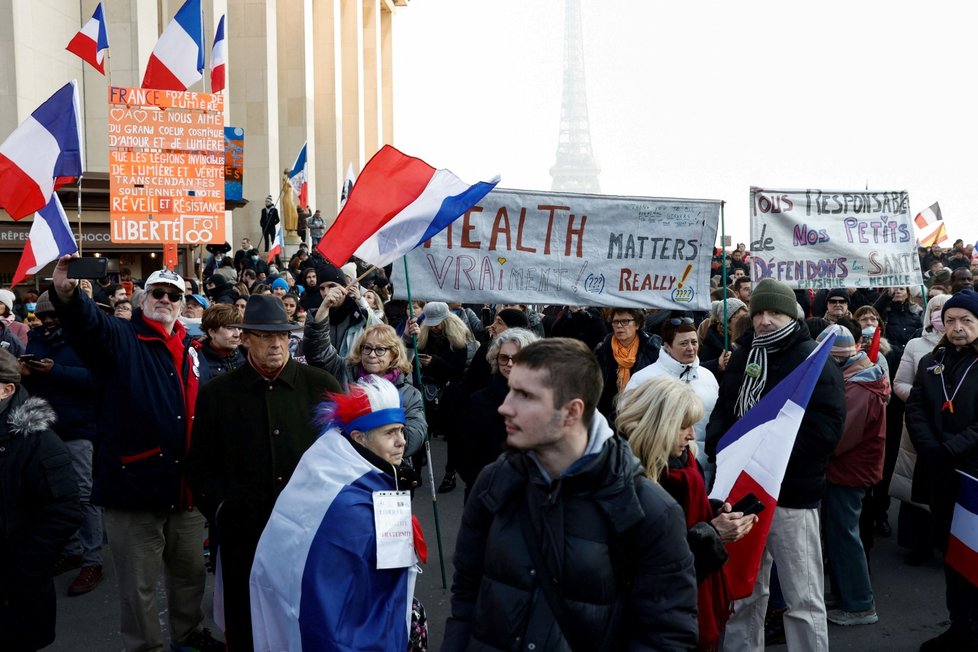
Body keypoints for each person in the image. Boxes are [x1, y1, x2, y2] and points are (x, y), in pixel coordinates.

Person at [442, 338, 698, 650]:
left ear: (571, 412)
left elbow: (666, 636)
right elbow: (467, 593)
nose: (505, 407)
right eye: (511, 390)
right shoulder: (495, 480)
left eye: (525, 396)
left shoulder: (650, 509)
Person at [49, 260, 225, 652]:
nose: (165, 300)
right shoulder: (121, 337)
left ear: (182, 304)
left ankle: (188, 634)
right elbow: (88, 326)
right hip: (135, 490)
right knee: (139, 587)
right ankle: (146, 648)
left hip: (185, 491)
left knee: (190, 575)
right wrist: (68, 295)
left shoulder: (190, 350)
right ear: (144, 299)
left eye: (173, 296)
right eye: (158, 293)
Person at [185, 295, 341, 652]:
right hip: (245, 535)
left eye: (283, 336)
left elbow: (344, 454)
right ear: (245, 339)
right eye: (265, 336)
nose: (276, 344)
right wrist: (223, 509)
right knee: (247, 624)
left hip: (308, 532)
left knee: (306, 618)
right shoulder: (218, 394)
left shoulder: (320, 385)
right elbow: (199, 465)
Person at [706, 278, 846, 651]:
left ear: (791, 314)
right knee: (743, 591)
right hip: (742, 493)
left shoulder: (812, 360)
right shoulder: (742, 354)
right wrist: (719, 446)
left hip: (792, 494)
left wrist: (771, 460)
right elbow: (726, 407)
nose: (765, 320)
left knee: (803, 598)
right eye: (760, 313)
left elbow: (826, 430)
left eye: (775, 312)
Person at [250, 377, 425, 652]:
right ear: (359, 437)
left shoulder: (329, 469)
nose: (402, 441)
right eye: (390, 433)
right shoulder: (348, 499)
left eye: (402, 431)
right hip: (352, 624)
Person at [618, 375, 757, 651]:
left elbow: (690, 519)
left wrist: (714, 512)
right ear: (658, 426)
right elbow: (655, 567)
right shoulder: (631, 481)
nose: (693, 434)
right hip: (659, 620)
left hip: (684, 609)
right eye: (684, 427)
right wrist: (714, 534)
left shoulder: (683, 462)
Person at [906, 290, 978, 650]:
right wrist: (931, 448)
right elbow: (916, 406)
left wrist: (950, 448)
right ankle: (959, 625)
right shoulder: (932, 361)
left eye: (966, 320)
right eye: (950, 320)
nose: (957, 327)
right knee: (953, 553)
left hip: (973, 475)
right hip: (941, 472)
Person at [0, 349, 82, 652]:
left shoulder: (39, 441)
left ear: (7, 389)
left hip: (16, 585)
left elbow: (63, 512)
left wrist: (22, 572)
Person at [22, 292, 102, 597]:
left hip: (79, 425)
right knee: (55, 493)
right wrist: (26, 372)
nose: (49, 321)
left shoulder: (85, 339)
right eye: (44, 317)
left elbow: (96, 380)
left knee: (83, 494)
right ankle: (72, 550)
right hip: (45, 425)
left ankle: (93, 559)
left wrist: (55, 370)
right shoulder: (36, 338)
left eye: (54, 315)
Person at [814, 324, 889, 626]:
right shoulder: (855, 377)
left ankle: (859, 605)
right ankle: (844, 594)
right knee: (838, 534)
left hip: (850, 471)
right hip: (847, 469)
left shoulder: (857, 387)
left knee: (844, 536)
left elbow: (840, 436)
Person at [304, 320, 426, 460]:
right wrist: (322, 313)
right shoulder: (344, 373)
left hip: (386, 466)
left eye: (380, 349)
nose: (372, 355)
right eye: (367, 348)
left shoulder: (410, 393)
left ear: (393, 354)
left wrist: (380, 438)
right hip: (343, 460)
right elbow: (319, 353)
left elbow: (416, 434)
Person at [890, 293, 950, 566]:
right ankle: (919, 544)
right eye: (935, 309)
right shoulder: (916, 345)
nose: (939, 314)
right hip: (919, 425)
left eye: (944, 309)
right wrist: (922, 396)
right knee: (917, 483)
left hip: (953, 429)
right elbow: (899, 383)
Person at [626, 316, 720, 486]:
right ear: (667, 346)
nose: (691, 348)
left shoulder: (709, 377)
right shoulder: (643, 379)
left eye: (694, 342)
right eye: (684, 343)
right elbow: (629, 427)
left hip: (704, 469)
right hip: (661, 473)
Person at [457, 328, 539, 499]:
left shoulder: (542, 401)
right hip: (485, 494)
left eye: (516, 358)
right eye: (504, 358)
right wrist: (480, 482)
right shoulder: (478, 401)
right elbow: (464, 450)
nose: (509, 364)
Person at [404, 302, 474, 493]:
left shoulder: (459, 337)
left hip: (450, 391)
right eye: (431, 323)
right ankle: (415, 472)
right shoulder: (424, 333)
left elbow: (458, 369)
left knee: (453, 435)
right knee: (420, 428)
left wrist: (435, 362)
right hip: (426, 388)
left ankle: (450, 473)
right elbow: (409, 351)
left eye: (438, 323)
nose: (435, 327)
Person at [593, 307, 660, 423]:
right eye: (615, 322)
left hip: (642, 417)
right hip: (609, 418)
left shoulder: (652, 349)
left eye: (625, 321)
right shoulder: (602, 350)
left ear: (637, 324)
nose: (619, 326)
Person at [193, 304, 247, 384]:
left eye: (239, 328)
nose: (237, 334)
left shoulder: (247, 353)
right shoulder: (196, 360)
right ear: (212, 332)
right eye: (229, 328)